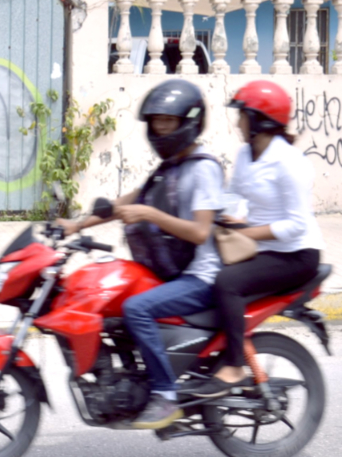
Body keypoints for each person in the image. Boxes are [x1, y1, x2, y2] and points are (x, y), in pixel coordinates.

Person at [58, 78, 223, 430]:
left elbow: (200, 231)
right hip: (173, 272)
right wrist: (76, 225)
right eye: (156, 122)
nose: (160, 129)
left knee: (137, 308)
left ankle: (165, 395)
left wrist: (150, 215)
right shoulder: (169, 169)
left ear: (189, 122)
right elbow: (122, 204)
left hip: (200, 277)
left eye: (168, 121)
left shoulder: (203, 169)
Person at [190, 79, 323, 398]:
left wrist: (245, 231)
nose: (238, 122)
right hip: (261, 245)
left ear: (261, 120)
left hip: (296, 254)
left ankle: (235, 366)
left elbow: (296, 225)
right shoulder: (247, 154)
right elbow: (235, 195)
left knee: (227, 282)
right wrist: (220, 214)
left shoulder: (289, 163)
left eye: (243, 115)